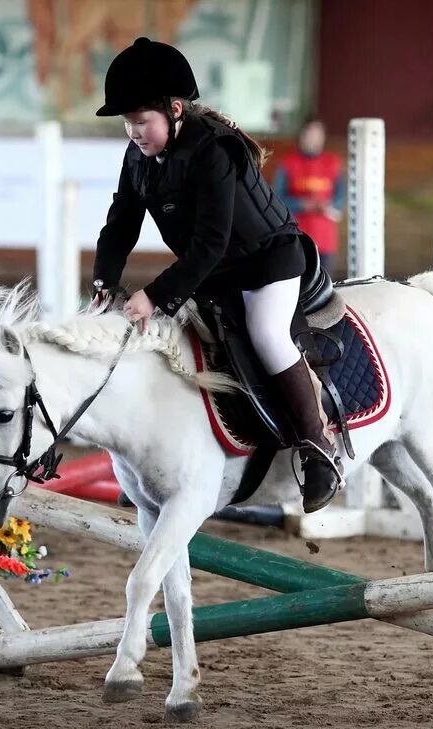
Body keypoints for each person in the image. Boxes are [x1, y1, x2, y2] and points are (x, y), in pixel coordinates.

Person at [90, 37, 340, 513]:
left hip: (268, 263)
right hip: (216, 271)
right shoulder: (138, 157)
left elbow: (211, 243)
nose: (133, 132)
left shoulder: (214, 151)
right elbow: (121, 222)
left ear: (176, 109)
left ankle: (317, 448)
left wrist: (155, 295)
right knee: (179, 341)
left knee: (267, 334)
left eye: (141, 121)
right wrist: (105, 282)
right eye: (127, 123)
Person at [274, 119, 344, 279]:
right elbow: (277, 199)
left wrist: (329, 205)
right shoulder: (288, 164)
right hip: (297, 237)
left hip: (325, 238)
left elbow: (340, 196)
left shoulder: (332, 163)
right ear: (301, 136)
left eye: (317, 134)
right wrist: (302, 204)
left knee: (326, 286)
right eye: (309, 134)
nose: (313, 138)